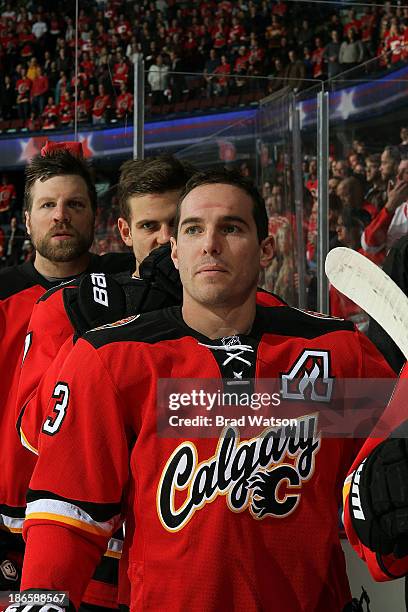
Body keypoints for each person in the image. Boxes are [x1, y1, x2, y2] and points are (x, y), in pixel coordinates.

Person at [19, 169, 394, 612]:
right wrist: (38, 603)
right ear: (174, 251)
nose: (210, 244)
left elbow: (381, 485)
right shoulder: (113, 357)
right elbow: (68, 516)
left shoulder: (334, 351)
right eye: (193, 229)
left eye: (231, 228)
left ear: (266, 248)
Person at [0, 142, 133, 600]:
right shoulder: (1, 297)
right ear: (27, 219)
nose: (61, 215)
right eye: (48, 205)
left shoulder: (128, 286)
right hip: (10, 513)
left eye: (75, 204)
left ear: (95, 217)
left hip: (104, 512)